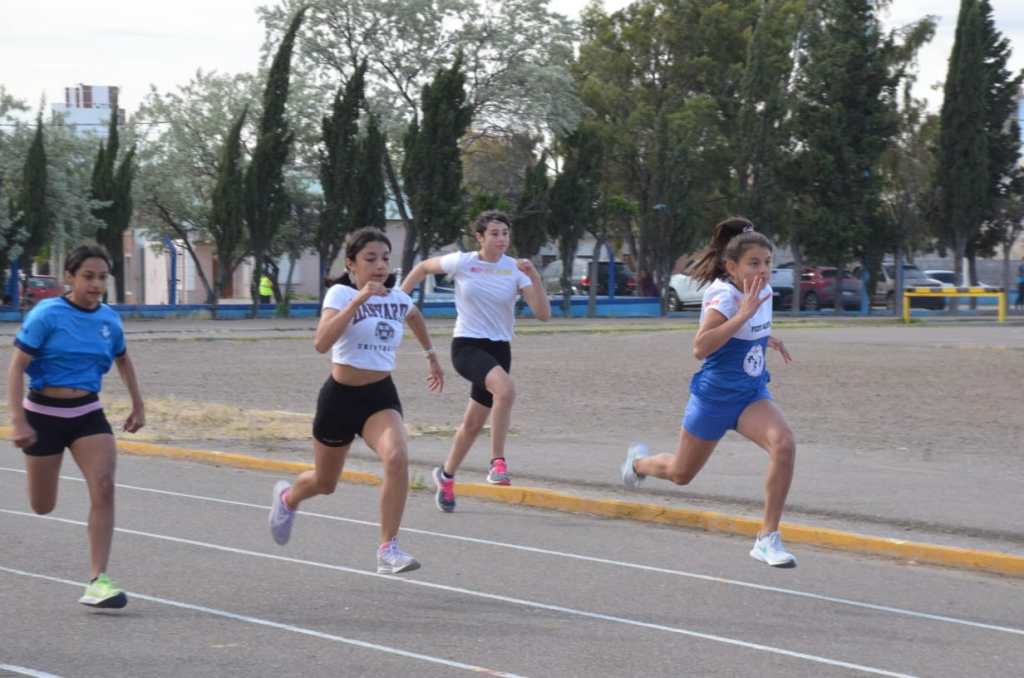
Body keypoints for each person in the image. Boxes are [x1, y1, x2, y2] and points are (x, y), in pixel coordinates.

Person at [620, 217, 798, 567]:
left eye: (767, 263)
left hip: (750, 395)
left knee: (785, 444)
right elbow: (701, 347)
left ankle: (767, 538)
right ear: (731, 266)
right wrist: (743, 316)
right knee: (681, 475)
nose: (763, 270)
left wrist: (766, 339)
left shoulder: (760, 292)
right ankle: (638, 463)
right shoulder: (724, 296)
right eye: (753, 263)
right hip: (714, 398)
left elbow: (746, 333)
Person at [267, 227, 443, 574]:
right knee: (325, 483)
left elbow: (414, 316)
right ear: (352, 264)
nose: (381, 266)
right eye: (371, 258)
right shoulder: (339, 294)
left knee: (397, 456)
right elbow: (321, 342)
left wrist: (431, 354)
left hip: (379, 396)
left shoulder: (397, 298)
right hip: (339, 398)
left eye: (386, 258)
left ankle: (387, 549)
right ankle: (288, 499)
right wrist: (359, 299)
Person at [7, 244, 145, 607]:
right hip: (43, 414)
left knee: (104, 486)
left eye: (102, 277)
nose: (96, 284)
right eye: (88, 276)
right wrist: (17, 420)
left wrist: (137, 404)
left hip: (87, 413)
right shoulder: (46, 314)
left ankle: (98, 580)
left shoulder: (109, 320)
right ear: (70, 277)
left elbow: (124, 359)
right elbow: (16, 366)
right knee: (42, 506)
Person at [401, 210, 551, 513]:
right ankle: (497, 463)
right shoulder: (463, 262)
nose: (501, 239)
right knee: (506, 391)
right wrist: (398, 300)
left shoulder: (516, 269)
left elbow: (543, 314)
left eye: (505, 233)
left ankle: (446, 475)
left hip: (499, 350)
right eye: (494, 233)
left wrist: (534, 277)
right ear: (479, 237)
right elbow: (421, 268)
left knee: (472, 424)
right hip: (467, 346)